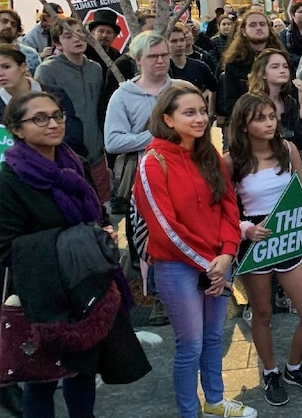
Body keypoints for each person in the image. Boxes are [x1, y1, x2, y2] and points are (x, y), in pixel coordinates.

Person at [0, 91, 150, 418]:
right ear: (17, 129)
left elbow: (95, 217)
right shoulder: (9, 179)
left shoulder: (74, 162)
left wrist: (100, 234)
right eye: (40, 118)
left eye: (58, 115)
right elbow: (7, 248)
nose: (54, 123)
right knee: (40, 381)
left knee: (83, 371)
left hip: (87, 284)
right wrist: (81, 241)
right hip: (43, 294)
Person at [132, 84, 256, 418]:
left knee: (214, 337)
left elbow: (230, 206)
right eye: (190, 113)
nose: (200, 118)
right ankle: (189, 412)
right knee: (191, 345)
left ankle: (215, 401)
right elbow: (164, 227)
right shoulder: (152, 163)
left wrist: (228, 253)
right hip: (179, 266)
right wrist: (208, 265)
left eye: (202, 111)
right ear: (167, 119)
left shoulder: (208, 153)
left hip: (219, 261)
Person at [224, 93, 302, 407]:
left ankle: (293, 367)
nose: (269, 123)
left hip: (289, 234)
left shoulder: (288, 149)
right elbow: (222, 208)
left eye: (271, 116)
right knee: (263, 313)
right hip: (254, 241)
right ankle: (270, 371)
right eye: (260, 118)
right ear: (243, 125)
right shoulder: (232, 160)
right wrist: (245, 229)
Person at [104, 32, 174, 325]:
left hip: (180, 172)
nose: (161, 60)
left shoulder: (181, 89)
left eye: (164, 54)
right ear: (138, 60)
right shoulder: (122, 96)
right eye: (153, 56)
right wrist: (154, 138)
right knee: (150, 234)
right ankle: (157, 297)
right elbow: (112, 142)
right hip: (142, 176)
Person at [35, 18, 111, 203]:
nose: (77, 39)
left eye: (80, 34)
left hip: (97, 148)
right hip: (66, 149)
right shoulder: (47, 70)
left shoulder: (96, 68)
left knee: (101, 204)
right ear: (58, 43)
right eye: (68, 36)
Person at [0, 44, 85, 157]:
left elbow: (74, 134)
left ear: (23, 67)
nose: (1, 74)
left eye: (6, 67)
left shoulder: (55, 93)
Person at [246, 49, 302, 148]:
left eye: (285, 67)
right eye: (275, 67)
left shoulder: (289, 102)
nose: (282, 70)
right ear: (262, 73)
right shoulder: (251, 103)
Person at [280, 0, 302, 72]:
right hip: (292, 69)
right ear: (293, 15)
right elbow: (285, 53)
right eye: (300, 12)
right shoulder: (285, 34)